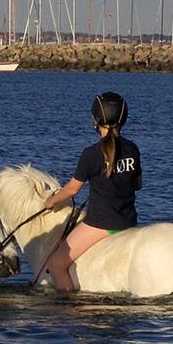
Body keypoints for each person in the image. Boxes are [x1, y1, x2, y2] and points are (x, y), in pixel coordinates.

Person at [41, 91, 143, 292]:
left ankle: (68, 309)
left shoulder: (91, 154)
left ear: (96, 120)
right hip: (128, 221)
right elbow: (137, 184)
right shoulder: (132, 148)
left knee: (55, 264)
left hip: (100, 224)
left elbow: (72, 190)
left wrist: (50, 201)